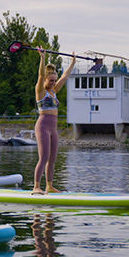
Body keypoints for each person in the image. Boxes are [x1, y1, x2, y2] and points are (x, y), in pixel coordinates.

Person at [33, 48, 76, 195]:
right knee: (43, 157)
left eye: (54, 80)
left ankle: (49, 186)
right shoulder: (40, 90)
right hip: (43, 126)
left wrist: (72, 62)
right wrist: (42, 57)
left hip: (53, 128)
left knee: (52, 159)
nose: (53, 83)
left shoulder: (54, 91)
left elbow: (64, 77)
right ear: (45, 79)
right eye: (51, 80)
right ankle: (36, 187)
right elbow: (40, 74)